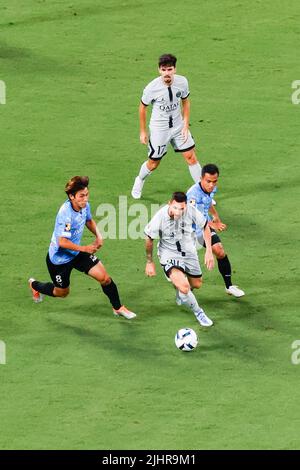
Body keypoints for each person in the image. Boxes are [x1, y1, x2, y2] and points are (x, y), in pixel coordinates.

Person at [28, 176, 136, 319]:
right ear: (72, 196)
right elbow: (62, 242)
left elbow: (89, 220)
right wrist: (85, 248)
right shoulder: (65, 214)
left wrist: (99, 236)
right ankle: (34, 285)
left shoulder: (84, 206)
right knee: (62, 293)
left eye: (86, 194)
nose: (85, 199)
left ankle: (118, 307)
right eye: (81, 196)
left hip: (77, 252)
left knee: (105, 278)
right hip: (59, 260)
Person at [131, 53, 202, 200]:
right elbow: (142, 108)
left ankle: (202, 193)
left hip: (178, 126)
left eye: (169, 69)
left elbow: (186, 101)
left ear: (174, 69)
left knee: (191, 157)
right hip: (159, 129)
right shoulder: (151, 88)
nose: (166, 73)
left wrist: (185, 124)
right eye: (163, 70)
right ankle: (140, 180)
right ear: (159, 70)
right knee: (153, 163)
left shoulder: (182, 82)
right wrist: (143, 131)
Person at [144, 191, 215, 327]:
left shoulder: (190, 210)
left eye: (181, 209)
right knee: (184, 287)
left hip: (189, 251)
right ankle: (199, 312)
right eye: (175, 208)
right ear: (170, 204)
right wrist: (149, 261)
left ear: (185, 206)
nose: (178, 212)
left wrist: (209, 251)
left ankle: (181, 290)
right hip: (168, 254)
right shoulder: (160, 217)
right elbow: (149, 239)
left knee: (196, 284)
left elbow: (205, 226)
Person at [186, 164, 245, 297]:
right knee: (192, 274)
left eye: (215, 181)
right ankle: (184, 290)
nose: (212, 185)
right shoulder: (193, 196)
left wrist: (215, 216)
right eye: (208, 181)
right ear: (201, 178)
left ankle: (229, 286)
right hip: (189, 232)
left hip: (204, 228)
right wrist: (213, 225)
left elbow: (208, 203)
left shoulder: (211, 188)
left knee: (219, 250)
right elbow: (196, 219)